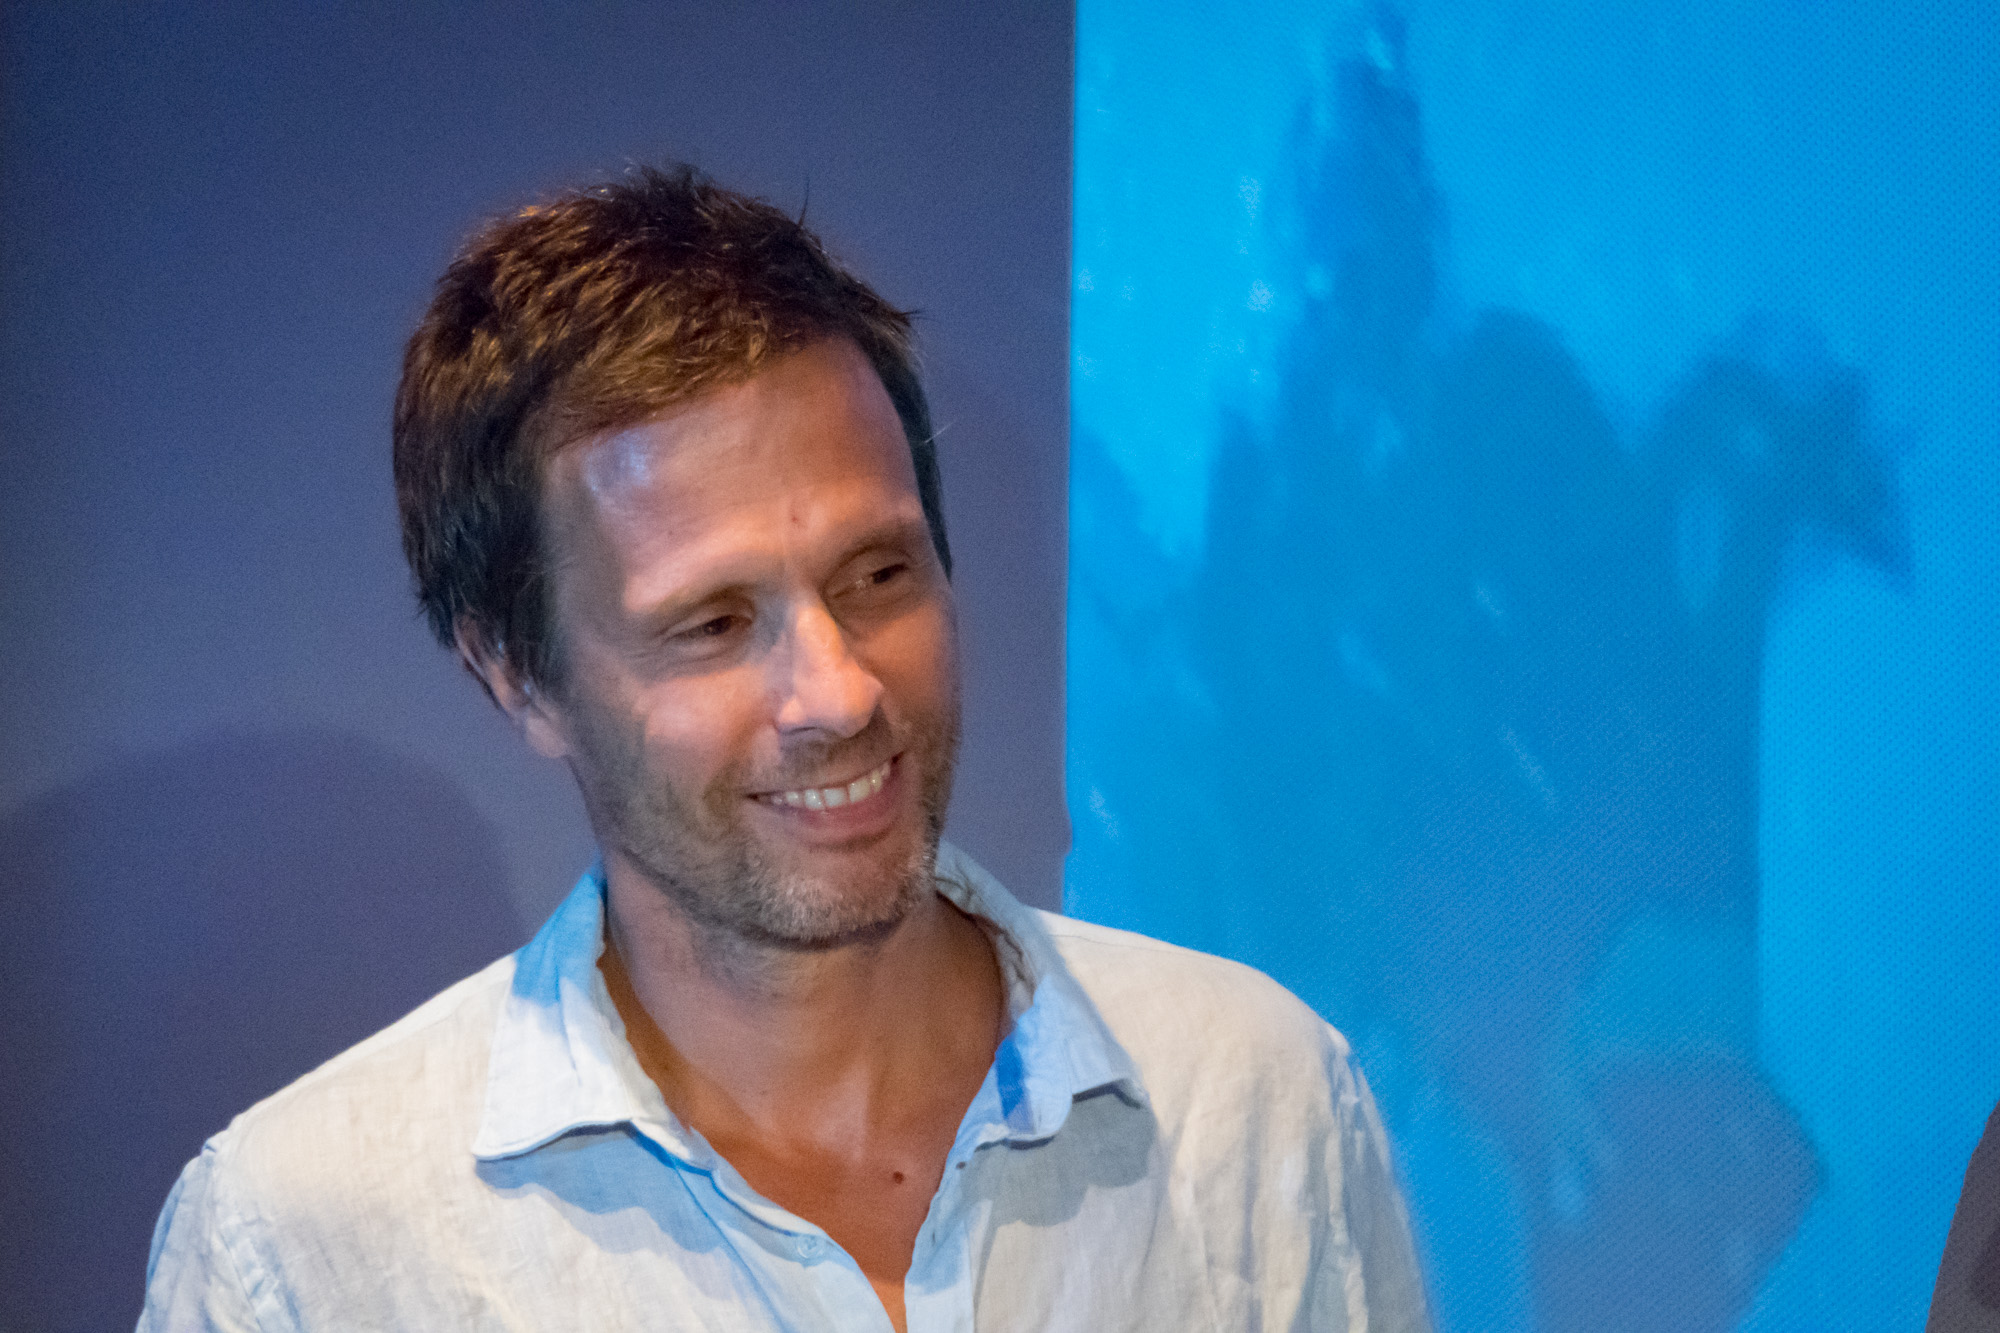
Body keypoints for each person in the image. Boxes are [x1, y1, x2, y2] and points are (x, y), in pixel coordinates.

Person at [138, 164, 1429, 1332]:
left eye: (879, 574)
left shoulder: (1255, 1101)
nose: (840, 692)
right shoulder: (305, 1254)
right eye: (713, 624)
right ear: (516, 675)